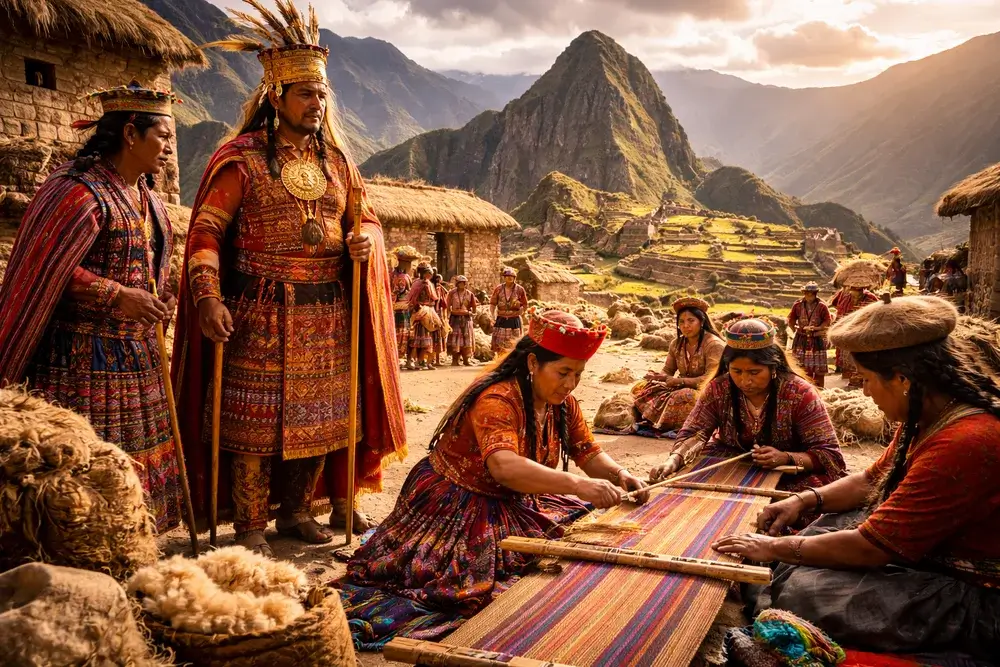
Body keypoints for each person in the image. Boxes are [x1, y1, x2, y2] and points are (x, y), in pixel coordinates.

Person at [171, 0, 407, 557]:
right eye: (306, 93)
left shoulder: (339, 163)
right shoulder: (241, 160)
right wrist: (207, 298)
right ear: (276, 96)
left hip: (328, 313)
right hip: (258, 310)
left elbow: (366, 219)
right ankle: (249, 521)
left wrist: (364, 242)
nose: (318, 104)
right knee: (250, 423)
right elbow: (205, 234)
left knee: (321, 420)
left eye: (323, 94)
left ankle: (299, 511)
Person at [713, 295, 1000, 660]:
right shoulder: (928, 414)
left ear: (902, 379)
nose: (864, 391)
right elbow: (869, 480)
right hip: (931, 556)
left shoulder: (967, 441)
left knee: (809, 590)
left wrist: (771, 548)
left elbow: (870, 547)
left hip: (980, 597)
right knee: (823, 527)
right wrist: (803, 500)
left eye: (866, 379)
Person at [339, 310, 648, 649]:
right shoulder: (498, 398)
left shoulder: (563, 403)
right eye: (563, 372)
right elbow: (502, 466)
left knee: (581, 531)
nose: (570, 383)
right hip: (457, 503)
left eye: (578, 374)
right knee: (475, 585)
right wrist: (576, 484)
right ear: (533, 362)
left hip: (511, 499)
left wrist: (620, 474)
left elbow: (586, 451)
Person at [0, 82, 183, 532]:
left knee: (138, 463)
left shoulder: (149, 198)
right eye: (163, 136)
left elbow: (151, 262)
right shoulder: (76, 191)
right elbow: (49, 266)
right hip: (79, 362)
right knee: (88, 466)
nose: (168, 149)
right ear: (129, 134)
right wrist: (117, 294)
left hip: (140, 358)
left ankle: (139, 543)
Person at [649, 318, 846, 512]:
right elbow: (694, 433)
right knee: (684, 499)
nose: (745, 381)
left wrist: (786, 457)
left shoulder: (800, 393)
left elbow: (830, 455)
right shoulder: (719, 388)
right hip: (729, 461)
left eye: (754, 372)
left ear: (773, 367)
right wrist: (673, 460)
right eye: (737, 371)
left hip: (786, 472)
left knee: (798, 508)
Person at [631, 297, 724, 435]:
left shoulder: (713, 344)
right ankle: (656, 422)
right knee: (640, 387)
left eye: (691, 320)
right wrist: (658, 376)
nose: (686, 325)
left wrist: (680, 381)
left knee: (683, 396)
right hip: (680, 386)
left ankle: (669, 424)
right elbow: (668, 370)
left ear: (702, 321)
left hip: (710, 392)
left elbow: (711, 378)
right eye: (682, 321)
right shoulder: (676, 344)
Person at [829, 283, 878, 386]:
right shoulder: (844, 296)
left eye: (859, 292)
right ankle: (849, 380)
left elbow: (876, 314)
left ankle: (862, 381)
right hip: (846, 332)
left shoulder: (870, 298)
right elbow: (835, 306)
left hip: (862, 334)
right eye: (854, 292)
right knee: (846, 360)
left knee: (861, 359)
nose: (856, 294)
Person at [787, 282, 832, 388]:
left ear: (815, 293)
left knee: (818, 368)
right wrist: (795, 329)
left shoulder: (822, 306)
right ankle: (801, 388)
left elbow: (827, 320)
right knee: (800, 365)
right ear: (804, 293)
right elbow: (791, 318)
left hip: (817, 339)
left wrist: (818, 328)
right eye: (807, 293)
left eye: (811, 293)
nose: (809, 296)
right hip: (801, 339)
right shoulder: (797, 305)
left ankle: (819, 388)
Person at [407, 262, 439, 370]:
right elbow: (413, 298)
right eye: (427, 274)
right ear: (423, 274)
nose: (429, 276)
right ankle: (415, 361)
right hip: (420, 313)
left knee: (428, 338)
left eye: (430, 274)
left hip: (429, 312)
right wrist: (419, 309)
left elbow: (433, 298)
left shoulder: (429, 283)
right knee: (418, 339)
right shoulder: (418, 283)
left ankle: (423, 361)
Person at [490, 266, 528, 354]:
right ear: (504, 277)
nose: (509, 278)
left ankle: (511, 361)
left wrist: (521, 311)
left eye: (512, 276)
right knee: (500, 344)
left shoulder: (520, 289)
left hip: (514, 320)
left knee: (514, 343)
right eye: (507, 276)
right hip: (501, 319)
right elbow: (492, 303)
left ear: (514, 278)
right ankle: (500, 360)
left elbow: (525, 304)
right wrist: (492, 315)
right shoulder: (498, 289)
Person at [391, 247, 417, 370]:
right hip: (402, 309)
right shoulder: (403, 277)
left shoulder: (392, 273)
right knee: (406, 334)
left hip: (393, 308)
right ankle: (406, 360)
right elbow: (402, 292)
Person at [446, 275, 478, 366]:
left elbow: (474, 306)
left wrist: (471, 313)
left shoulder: (469, 294)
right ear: (457, 284)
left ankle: (466, 360)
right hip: (454, 318)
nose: (462, 285)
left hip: (466, 319)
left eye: (463, 283)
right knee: (455, 339)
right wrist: (448, 315)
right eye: (460, 283)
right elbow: (448, 306)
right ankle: (455, 360)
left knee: (466, 339)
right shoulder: (452, 293)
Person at [431, 273, 449, 367]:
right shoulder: (433, 288)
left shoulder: (439, 289)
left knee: (438, 337)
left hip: (437, 314)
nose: (439, 283)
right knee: (435, 337)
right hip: (433, 314)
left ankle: (435, 359)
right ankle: (432, 359)